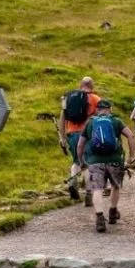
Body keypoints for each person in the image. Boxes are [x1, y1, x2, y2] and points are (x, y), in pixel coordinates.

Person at [76, 100, 135, 233]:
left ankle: (99, 218)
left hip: (95, 161)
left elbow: (80, 145)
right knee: (115, 187)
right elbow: (131, 136)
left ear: (97, 110)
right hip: (115, 160)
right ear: (110, 109)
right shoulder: (116, 121)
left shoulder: (90, 122)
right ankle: (113, 212)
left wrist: (81, 162)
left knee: (97, 189)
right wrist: (131, 156)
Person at [60, 77, 101, 205]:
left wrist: (62, 137)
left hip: (72, 133)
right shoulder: (96, 99)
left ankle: (73, 181)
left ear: (80, 85)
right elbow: (101, 118)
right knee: (88, 163)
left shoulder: (69, 98)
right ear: (91, 85)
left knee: (76, 161)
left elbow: (62, 118)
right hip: (88, 134)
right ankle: (89, 194)